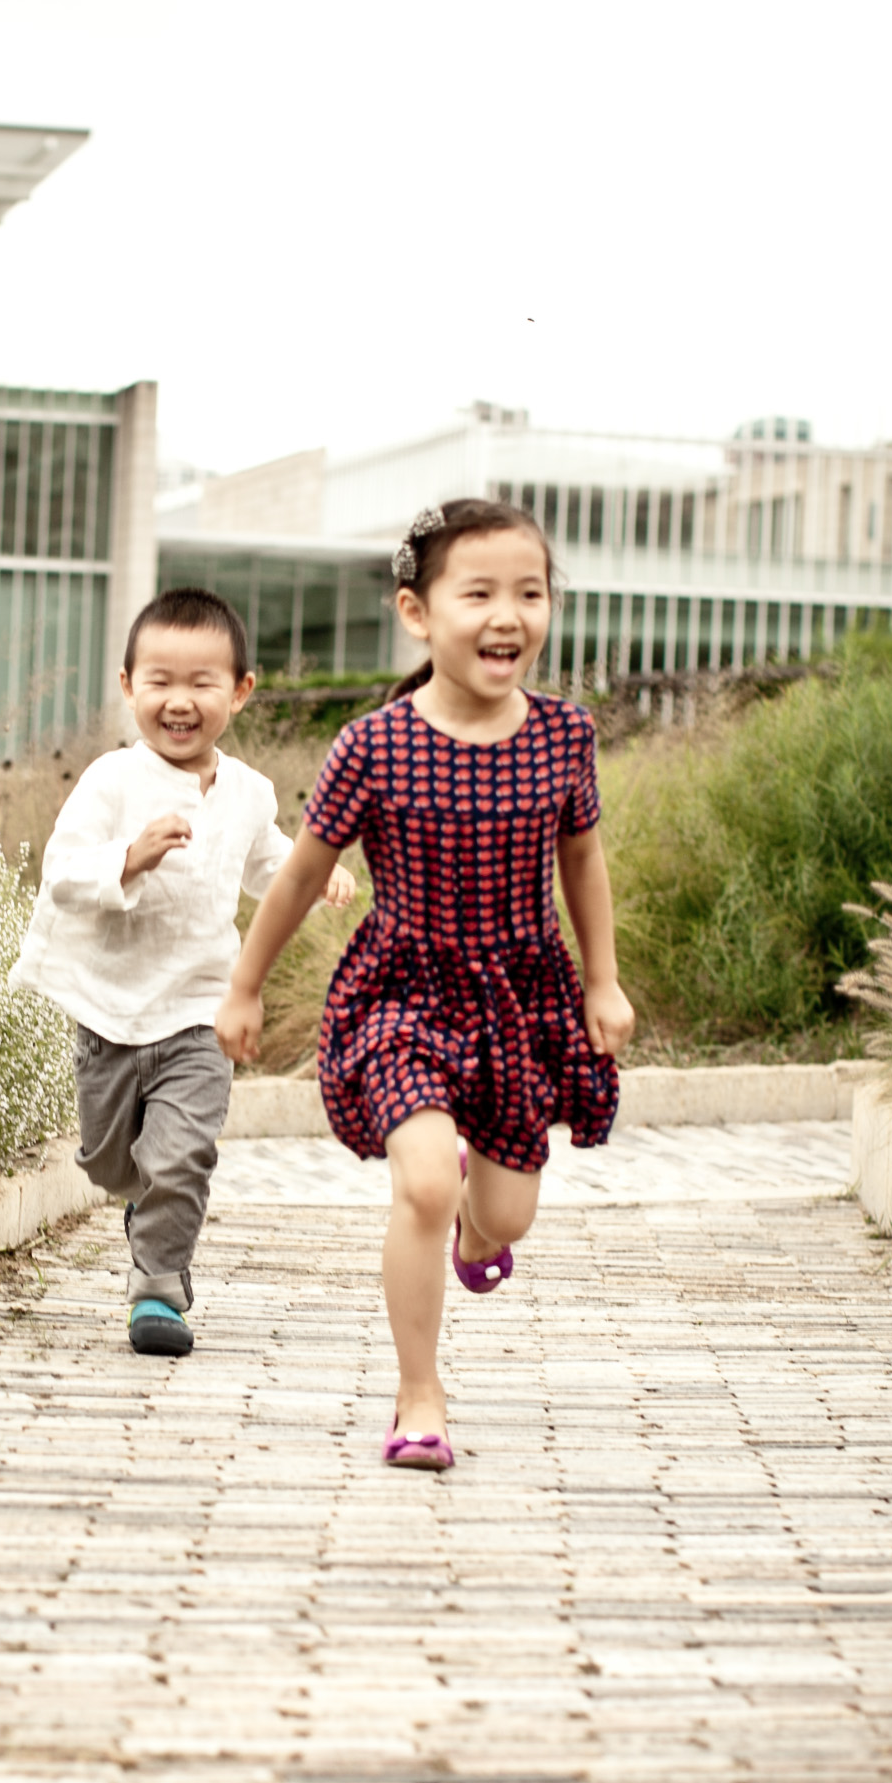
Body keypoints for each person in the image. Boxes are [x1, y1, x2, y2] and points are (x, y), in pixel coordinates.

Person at [216, 498, 635, 1470]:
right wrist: (243, 987)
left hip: (520, 999)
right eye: (477, 592)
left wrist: (600, 984)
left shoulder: (563, 736)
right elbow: (295, 875)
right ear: (417, 612)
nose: (506, 616)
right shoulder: (373, 746)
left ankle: (473, 1226)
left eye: (528, 593)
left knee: (507, 1213)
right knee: (419, 1185)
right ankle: (418, 1397)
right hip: (402, 992)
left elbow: (582, 863)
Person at [12, 586, 356, 1357]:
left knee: (182, 1154)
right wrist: (129, 856)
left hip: (200, 1008)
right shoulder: (111, 781)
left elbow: (272, 865)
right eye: (160, 681)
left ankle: (159, 1286)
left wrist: (318, 872)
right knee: (110, 1164)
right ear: (129, 686)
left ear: (239, 691)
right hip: (110, 1012)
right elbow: (63, 873)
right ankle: (146, 1209)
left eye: (202, 683)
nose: (180, 700)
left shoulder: (248, 793)